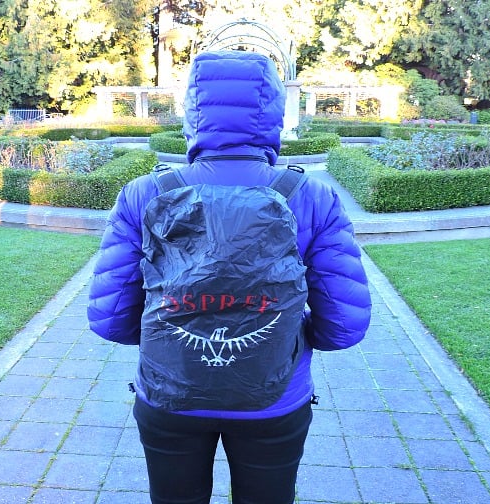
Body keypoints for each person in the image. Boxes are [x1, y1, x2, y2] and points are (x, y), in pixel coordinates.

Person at [87, 49, 371, 504]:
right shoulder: (310, 196)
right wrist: (289, 333)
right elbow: (345, 327)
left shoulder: (145, 193)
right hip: (274, 395)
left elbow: (109, 319)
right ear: (274, 112)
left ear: (193, 111)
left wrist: (173, 328)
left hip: (169, 391)